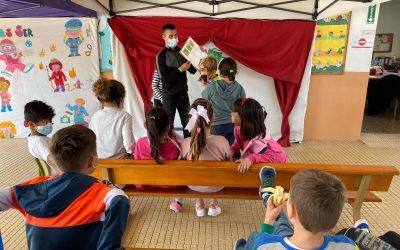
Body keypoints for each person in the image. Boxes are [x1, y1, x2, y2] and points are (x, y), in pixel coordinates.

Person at [0, 125, 130, 250]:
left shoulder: (30, 188)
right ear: (93, 162)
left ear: (56, 161)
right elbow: (120, 199)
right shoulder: (104, 194)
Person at [235, 167, 358, 249]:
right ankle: (267, 197)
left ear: (292, 210)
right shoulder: (347, 245)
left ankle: (268, 197)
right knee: (283, 230)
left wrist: (268, 223)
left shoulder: (265, 244)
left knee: (254, 237)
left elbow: (260, 244)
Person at [181, 98, 232, 217]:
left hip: (193, 185)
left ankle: (199, 204)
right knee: (217, 175)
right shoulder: (222, 141)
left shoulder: (185, 143)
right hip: (216, 185)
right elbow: (229, 163)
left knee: (195, 173)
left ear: (191, 120)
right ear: (213, 118)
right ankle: (213, 205)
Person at [134, 107, 183, 212]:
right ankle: (177, 202)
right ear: (167, 127)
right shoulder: (175, 146)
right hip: (173, 185)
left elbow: (136, 166)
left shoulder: (140, 143)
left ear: (145, 126)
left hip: (148, 182)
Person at [156, 23, 196, 138]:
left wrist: (199, 55)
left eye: (176, 35)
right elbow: (164, 80)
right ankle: (169, 154)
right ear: (164, 37)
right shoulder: (161, 56)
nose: (174, 38)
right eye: (171, 36)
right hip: (169, 97)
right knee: (168, 127)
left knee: (189, 126)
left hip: (183, 95)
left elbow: (193, 70)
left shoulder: (183, 52)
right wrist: (180, 69)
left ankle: (188, 152)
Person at [231, 98, 287, 173]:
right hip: (266, 154)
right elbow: (238, 141)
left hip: (276, 159)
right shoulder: (239, 127)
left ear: (244, 117)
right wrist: (232, 150)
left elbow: (270, 156)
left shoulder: (256, 142)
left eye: (235, 111)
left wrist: (251, 158)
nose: (231, 113)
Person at [201, 58, 245, 146]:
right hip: (233, 124)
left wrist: (205, 86)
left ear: (220, 73)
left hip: (216, 124)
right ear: (235, 72)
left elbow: (204, 98)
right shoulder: (240, 88)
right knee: (232, 150)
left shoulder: (213, 85)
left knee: (216, 150)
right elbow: (242, 107)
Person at [89, 78, 134, 159]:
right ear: (121, 99)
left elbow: (91, 141)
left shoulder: (95, 116)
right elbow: (130, 147)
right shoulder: (125, 116)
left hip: (99, 163)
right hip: (120, 164)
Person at [24, 100, 59, 174]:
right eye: (45, 122)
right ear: (32, 124)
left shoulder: (33, 139)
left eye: (50, 121)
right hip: (60, 176)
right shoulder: (40, 141)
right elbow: (53, 160)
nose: (49, 124)